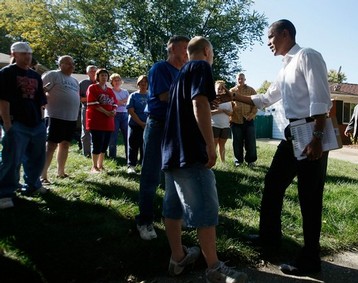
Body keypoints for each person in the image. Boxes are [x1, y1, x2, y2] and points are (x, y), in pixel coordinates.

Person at [231, 19, 332, 276]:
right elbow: (266, 98)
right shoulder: (285, 66)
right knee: (273, 183)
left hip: (311, 133)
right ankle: (269, 237)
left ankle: (310, 259)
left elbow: (321, 98)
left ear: (285, 34)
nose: (268, 44)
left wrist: (318, 139)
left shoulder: (307, 56)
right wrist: (233, 96)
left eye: (271, 38)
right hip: (292, 134)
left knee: (309, 197)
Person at [162, 36, 248, 283]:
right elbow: (199, 104)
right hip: (190, 151)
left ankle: (178, 258)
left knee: (174, 207)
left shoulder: (180, 75)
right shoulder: (201, 67)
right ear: (207, 51)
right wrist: (210, 145)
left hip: (172, 150)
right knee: (206, 209)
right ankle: (214, 269)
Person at [136, 35, 190, 240]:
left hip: (176, 127)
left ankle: (174, 217)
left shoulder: (183, 71)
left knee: (176, 174)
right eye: (185, 48)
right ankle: (145, 221)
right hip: (158, 126)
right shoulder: (160, 68)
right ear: (173, 48)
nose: (188, 53)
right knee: (151, 175)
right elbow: (165, 96)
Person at [0, 42, 48, 209]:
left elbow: (40, 101)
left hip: (36, 124)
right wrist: (7, 125)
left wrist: (41, 123)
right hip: (16, 123)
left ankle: (33, 185)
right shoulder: (6, 73)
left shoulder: (35, 76)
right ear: (13, 53)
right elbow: (3, 100)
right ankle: (5, 193)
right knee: (11, 160)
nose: (27, 56)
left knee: (37, 158)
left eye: (29, 53)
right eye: (23, 53)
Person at [40, 55, 80, 183]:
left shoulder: (74, 81)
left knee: (65, 144)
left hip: (71, 117)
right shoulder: (52, 75)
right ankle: (43, 175)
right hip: (55, 116)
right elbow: (39, 91)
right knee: (51, 145)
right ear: (60, 64)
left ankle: (61, 172)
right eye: (68, 63)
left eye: (73, 64)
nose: (71, 66)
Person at [86, 68, 117, 173]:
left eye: (105, 75)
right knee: (97, 143)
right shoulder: (92, 88)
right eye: (102, 75)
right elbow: (92, 103)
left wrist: (113, 111)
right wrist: (106, 112)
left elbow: (114, 103)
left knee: (104, 144)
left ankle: (100, 165)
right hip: (96, 121)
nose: (104, 77)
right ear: (97, 77)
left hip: (108, 122)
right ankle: (94, 166)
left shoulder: (109, 90)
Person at [230, 73, 258, 167]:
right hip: (236, 120)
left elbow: (256, 103)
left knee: (250, 141)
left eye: (242, 78)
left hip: (249, 119)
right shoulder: (232, 91)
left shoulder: (251, 90)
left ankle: (251, 161)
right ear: (236, 79)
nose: (240, 80)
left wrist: (252, 114)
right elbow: (229, 105)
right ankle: (238, 160)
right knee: (237, 142)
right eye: (238, 78)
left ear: (245, 79)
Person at [126, 75, 148, 174]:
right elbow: (131, 111)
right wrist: (140, 123)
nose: (143, 84)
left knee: (145, 146)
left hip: (148, 125)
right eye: (141, 82)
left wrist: (146, 123)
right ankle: (131, 165)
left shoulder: (151, 96)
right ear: (138, 84)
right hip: (135, 124)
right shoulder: (133, 96)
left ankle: (145, 166)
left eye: (145, 82)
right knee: (133, 145)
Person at [108, 73, 129, 159]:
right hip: (114, 115)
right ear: (112, 82)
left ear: (121, 81)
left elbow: (128, 102)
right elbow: (113, 102)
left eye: (118, 80)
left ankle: (129, 156)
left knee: (127, 136)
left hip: (125, 114)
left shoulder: (125, 91)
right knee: (113, 136)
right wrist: (121, 101)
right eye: (115, 80)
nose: (117, 82)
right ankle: (112, 156)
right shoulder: (110, 91)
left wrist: (119, 102)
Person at [211, 80, 232, 163]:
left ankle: (223, 162)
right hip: (215, 125)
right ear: (215, 89)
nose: (220, 90)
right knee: (214, 145)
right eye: (218, 88)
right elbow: (208, 113)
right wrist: (218, 111)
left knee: (222, 145)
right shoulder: (212, 99)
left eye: (222, 88)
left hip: (225, 126)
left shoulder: (228, 101)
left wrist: (224, 111)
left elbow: (231, 113)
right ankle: (213, 162)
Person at [79, 65, 97, 157]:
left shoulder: (101, 82)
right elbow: (79, 98)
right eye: (91, 71)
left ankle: (97, 152)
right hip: (87, 109)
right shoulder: (83, 83)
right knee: (86, 130)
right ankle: (86, 153)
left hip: (99, 110)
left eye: (95, 71)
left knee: (98, 131)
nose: (93, 73)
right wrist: (92, 99)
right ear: (87, 73)